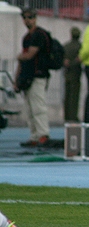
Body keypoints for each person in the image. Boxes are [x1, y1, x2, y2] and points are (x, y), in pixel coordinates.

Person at [13, 8, 52, 147]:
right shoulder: (27, 37)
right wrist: (16, 79)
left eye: (30, 17)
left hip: (38, 76)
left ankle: (43, 134)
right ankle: (35, 135)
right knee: (29, 108)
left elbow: (29, 55)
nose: (27, 20)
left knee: (38, 106)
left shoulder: (39, 35)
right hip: (28, 76)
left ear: (35, 18)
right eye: (24, 17)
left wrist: (20, 57)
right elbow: (23, 60)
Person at [63, 27, 83, 122]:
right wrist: (72, 63)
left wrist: (66, 63)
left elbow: (61, 58)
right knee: (74, 97)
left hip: (67, 74)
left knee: (67, 96)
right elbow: (80, 59)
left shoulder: (66, 46)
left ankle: (66, 116)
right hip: (76, 74)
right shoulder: (80, 46)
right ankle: (73, 116)